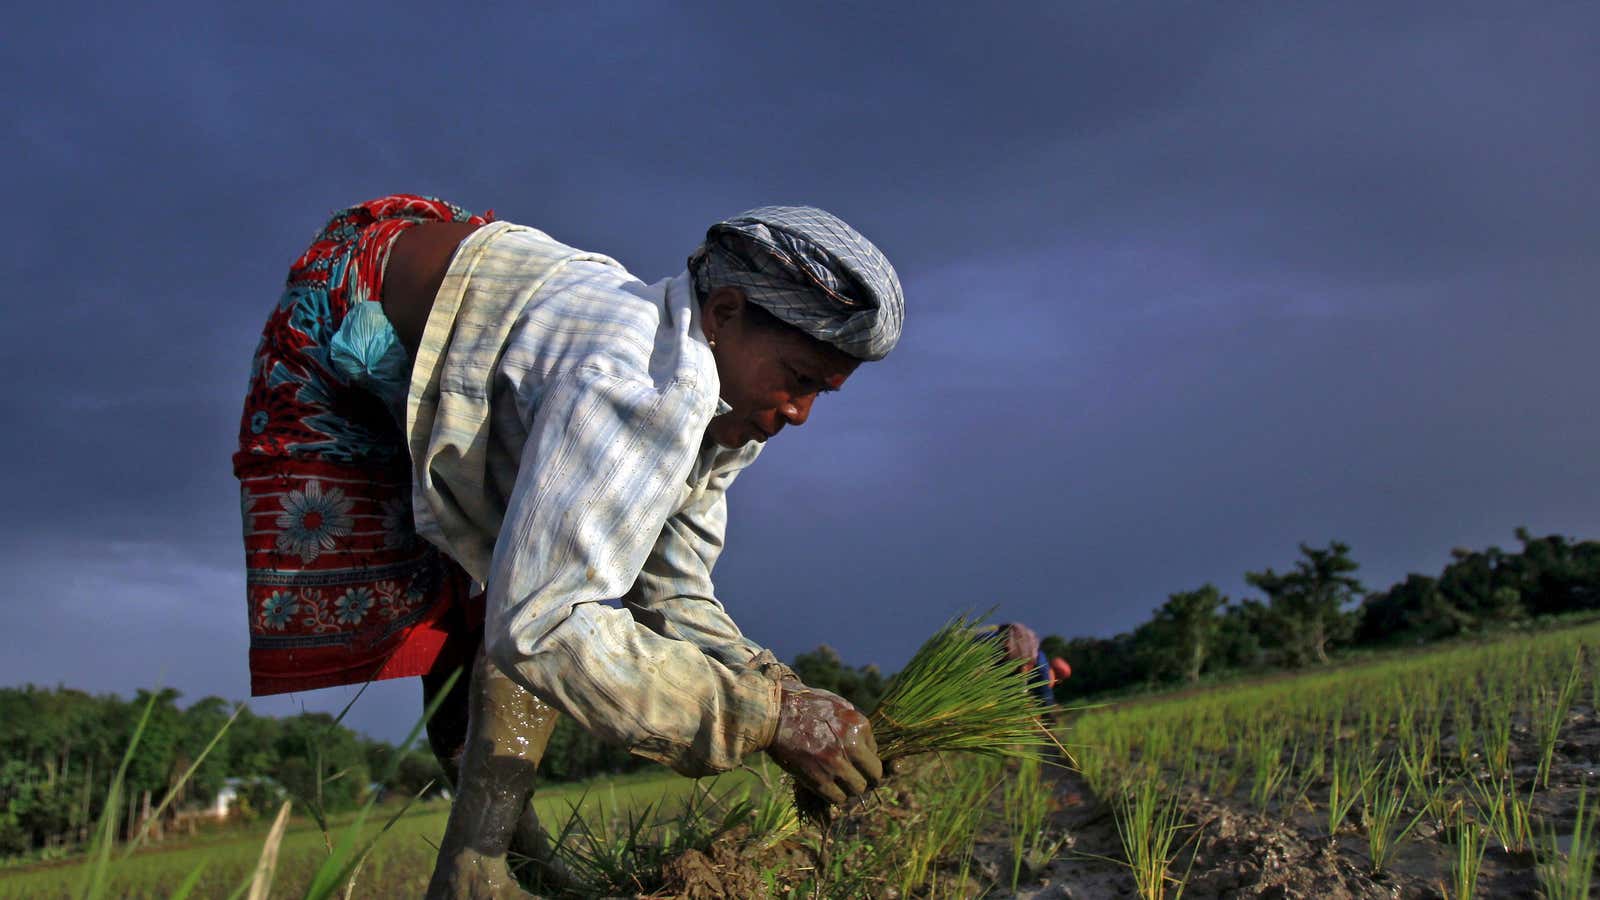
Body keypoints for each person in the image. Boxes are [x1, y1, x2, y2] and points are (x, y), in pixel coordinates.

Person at [233, 195, 903, 898]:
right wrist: (765, 722)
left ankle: (486, 857)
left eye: (822, 393)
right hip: (360, 303)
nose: (800, 414)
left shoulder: (731, 407)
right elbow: (544, 623)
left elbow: (672, 586)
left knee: (539, 573)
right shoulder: (633, 383)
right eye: (799, 380)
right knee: (510, 593)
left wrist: (780, 689)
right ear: (725, 313)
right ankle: (481, 863)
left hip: (484, 304)